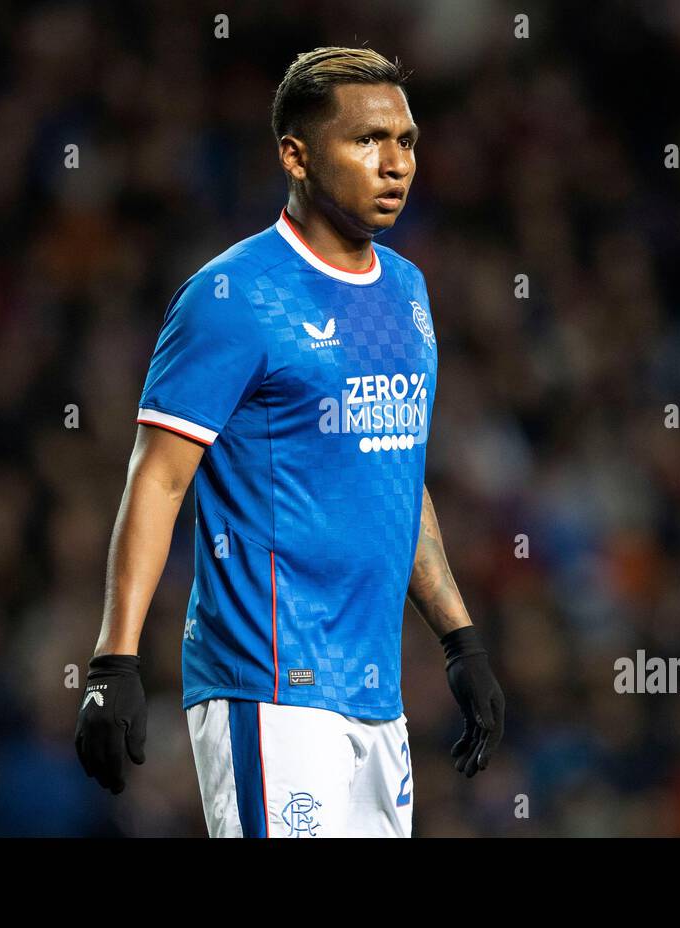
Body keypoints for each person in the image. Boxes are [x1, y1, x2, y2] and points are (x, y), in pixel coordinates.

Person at [74, 46, 504, 837]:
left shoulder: (407, 292)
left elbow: (394, 468)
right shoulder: (232, 297)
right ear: (296, 155)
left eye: (405, 141)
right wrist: (114, 662)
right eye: (366, 140)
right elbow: (159, 479)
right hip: (269, 686)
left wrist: (459, 637)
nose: (394, 164)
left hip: (374, 695)